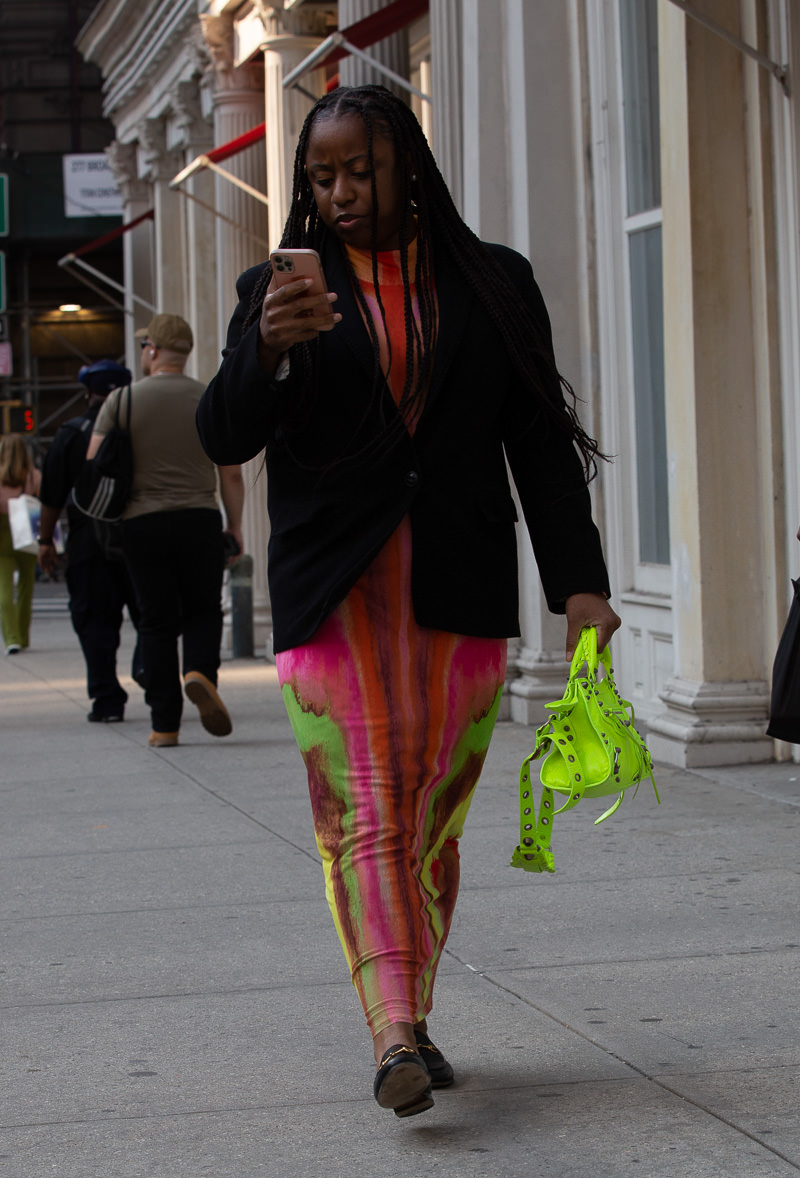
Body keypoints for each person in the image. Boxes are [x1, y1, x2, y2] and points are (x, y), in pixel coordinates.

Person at [197, 85, 621, 1119]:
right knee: (364, 815)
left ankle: (411, 1012)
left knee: (426, 820)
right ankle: (390, 1027)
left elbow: (536, 441)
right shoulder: (275, 290)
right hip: (330, 590)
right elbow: (222, 434)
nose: (339, 193)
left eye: (360, 170)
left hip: (454, 583)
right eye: (322, 176)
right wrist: (267, 351)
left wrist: (582, 585)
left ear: (407, 168)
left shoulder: (494, 282)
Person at [88, 314, 244, 748]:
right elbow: (230, 472)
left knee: (155, 621)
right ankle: (199, 672)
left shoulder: (122, 401)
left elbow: (94, 463)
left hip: (142, 521)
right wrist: (235, 526)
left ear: (153, 350)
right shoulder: (207, 397)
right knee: (204, 609)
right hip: (198, 517)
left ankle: (164, 724)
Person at [38, 359, 143, 722]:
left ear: (87, 393)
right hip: (139, 533)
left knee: (94, 619)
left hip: (89, 539)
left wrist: (45, 541)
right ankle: (148, 668)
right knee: (150, 614)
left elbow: (52, 494)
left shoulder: (71, 432)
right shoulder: (140, 428)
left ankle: (106, 698)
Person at [0, 433, 40, 655]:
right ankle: (23, 636)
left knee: (3, 592)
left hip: (2, 538)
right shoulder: (34, 478)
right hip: (27, 535)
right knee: (27, 588)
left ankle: (11, 638)